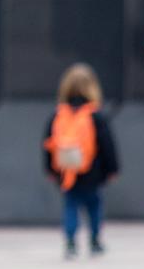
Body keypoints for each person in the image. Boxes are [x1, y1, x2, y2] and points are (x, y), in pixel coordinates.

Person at [42, 63, 119, 259]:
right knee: (94, 205)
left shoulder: (58, 114)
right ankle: (94, 240)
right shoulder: (95, 116)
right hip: (92, 171)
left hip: (67, 171)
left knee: (71, 205)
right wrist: (112, 169)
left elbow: (48, 144)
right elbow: (107, 145)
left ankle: (70, 242)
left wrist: (50, 170)